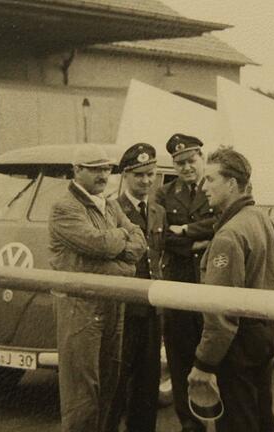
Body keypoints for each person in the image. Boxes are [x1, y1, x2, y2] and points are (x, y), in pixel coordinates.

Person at [188, 147, 274, 432]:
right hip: (264, 335)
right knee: (262, 417)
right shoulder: (264, 220)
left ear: (232, 184)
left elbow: (221, 310)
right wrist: (272, 325)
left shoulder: (230, 234)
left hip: (237, 345)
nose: (203, 186)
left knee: (238, 423)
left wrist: (204, 363)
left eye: (210, 179)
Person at [48, 144, 147, 432]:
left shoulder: (111, 203)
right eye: (95, 168)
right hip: (81, 306)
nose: (103, 174)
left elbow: (139, 239)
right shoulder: (65, 207)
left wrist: (117, 245)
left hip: (111, 303)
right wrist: (121, 245)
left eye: (106, 168)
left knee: (109, 384)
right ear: (77, 171)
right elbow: (98, 244)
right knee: (83, 394)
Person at [155, 133, 216, 432]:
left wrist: (187, 228)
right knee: (180, 360)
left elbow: (223, 223)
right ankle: (190, 424)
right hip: (179, 285)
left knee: (215, 356)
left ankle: (221, 420)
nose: (186, 168)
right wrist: (195, 244)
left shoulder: (219, 187)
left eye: (191, 161)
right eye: (180, 164)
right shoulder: (164, 194)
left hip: (211, 283)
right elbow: (160, 234)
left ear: (202, 158)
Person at [107, 143, 168, 432]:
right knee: (115, 385)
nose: (145, 181)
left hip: (151, 311)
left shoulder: (158, 212)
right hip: (123, 310)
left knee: (147, 385)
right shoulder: (111, 209)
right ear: (126, 176)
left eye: (150, 174)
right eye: (139, 175)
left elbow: (159, 255)